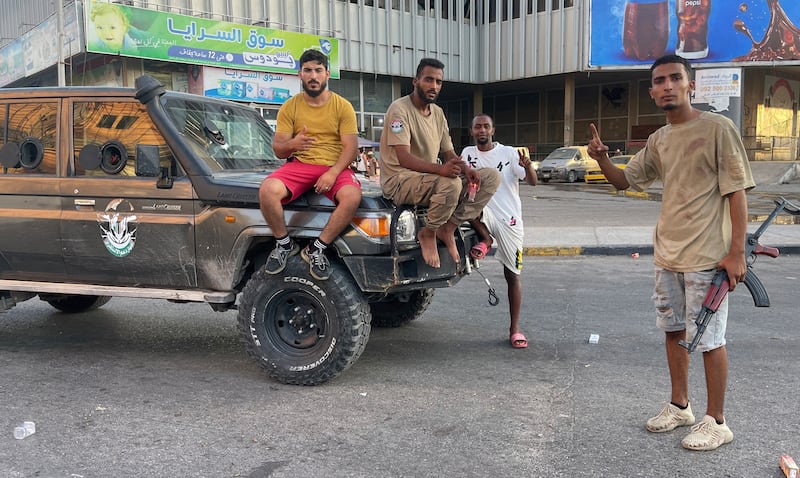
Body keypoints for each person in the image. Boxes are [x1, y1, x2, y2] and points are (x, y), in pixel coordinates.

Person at [587, 54, 755, 451]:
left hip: (708, 258)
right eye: (659, 81)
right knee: (673, 331)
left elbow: (737, 193)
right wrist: (602, 159)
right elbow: (625, 181)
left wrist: (736, 253)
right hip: (668, 255)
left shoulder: (718, 128)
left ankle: (718, 420)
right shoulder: (659, 140)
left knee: (711, 339)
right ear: (651, 91)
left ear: (690, 85)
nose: (667, 86)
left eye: (674, 78)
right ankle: (681, 406)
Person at [379, 58, 500, 268]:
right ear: (415, 81)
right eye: (428, 80)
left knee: (489, 178)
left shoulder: (438, 114)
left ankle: (449, 227)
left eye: (438, 82)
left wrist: (467, 169)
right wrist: (442, 170)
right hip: (399, 180)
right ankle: (428, 233)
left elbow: (448, 153)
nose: (434, 86)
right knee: (450, 183)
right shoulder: (399, 110)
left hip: (428, 179)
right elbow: (403, 158)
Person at [259, 49, 361, 281]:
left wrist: (333, 173)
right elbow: (278, 149)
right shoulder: (290, 106)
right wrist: (294, 143)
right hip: (300, 165)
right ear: (300, 74)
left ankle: (317, 248)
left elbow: (351, 148)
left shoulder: (342, 106)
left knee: (352, 197)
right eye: (308, 71)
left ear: (327, 74)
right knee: (267, 190)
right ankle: (284, 244)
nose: (313, 76)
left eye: (318, 71)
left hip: (335, 166)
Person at [462, 114, 537, 349]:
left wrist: (529, 167)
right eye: (477, 127)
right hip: (483, 213)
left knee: (512, 275)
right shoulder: (467, 154)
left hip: (510, 220)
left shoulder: (509, 153)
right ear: (472, 131)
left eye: (485, 126)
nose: (481, 130)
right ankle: (485, 238)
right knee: (461, 202)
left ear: (493, 130)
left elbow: (532, 182)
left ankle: (514, 329)